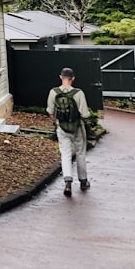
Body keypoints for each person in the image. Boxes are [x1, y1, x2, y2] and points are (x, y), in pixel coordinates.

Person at [47, 67, 91, 196]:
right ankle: (83, 181)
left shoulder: (53, 92)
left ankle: (67, 182)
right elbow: (85, 113)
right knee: (80, 153)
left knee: (65, 153)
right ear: (73, 79)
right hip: (77, 127)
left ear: (61, 77)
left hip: (61, 127)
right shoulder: (78, 93)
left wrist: (56, 122)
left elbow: (50, 111)